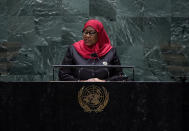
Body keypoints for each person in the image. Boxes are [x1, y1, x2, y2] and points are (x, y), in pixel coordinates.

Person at [59, 19, 125, 82]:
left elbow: (120, 76)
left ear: (99, 34)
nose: (87, 36)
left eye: (91, 33)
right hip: (77, 91)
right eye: (85, 32)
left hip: (105, 91)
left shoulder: (110, 52)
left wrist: (104, 81)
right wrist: (82, 82)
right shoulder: (73, 49)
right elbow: (63, 74)